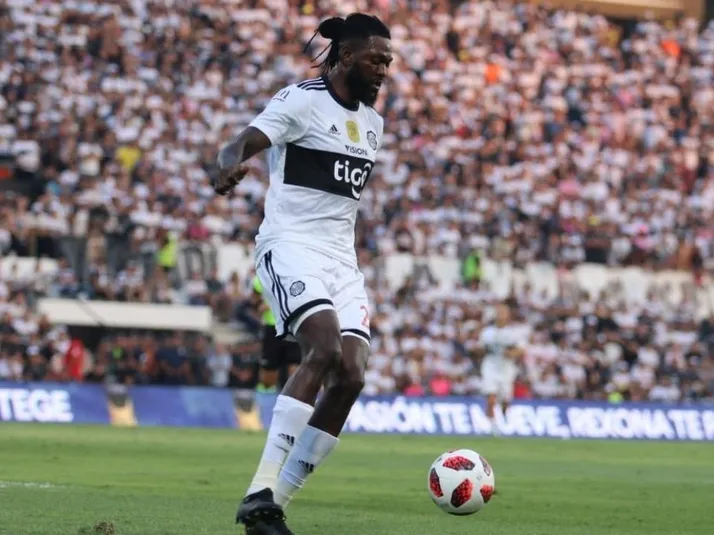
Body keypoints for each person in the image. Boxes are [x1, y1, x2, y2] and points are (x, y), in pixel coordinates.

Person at [213, 13, 392, 535]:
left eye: (388, 62)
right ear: (345, 56)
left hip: (342, 261)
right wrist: (227, 164)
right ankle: (260, 487)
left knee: (352, 375)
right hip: (290, 246)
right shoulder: (300, 100)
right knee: (324, 349)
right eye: (375, 60)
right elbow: (240, 143)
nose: (383, 70)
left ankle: (272, 505)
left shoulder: (374, 124)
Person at [478, 304, 524, 435]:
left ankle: (504, 417)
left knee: (505, 399)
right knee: (491, 397)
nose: (500, 315)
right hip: (490, 365)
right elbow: (481, 349)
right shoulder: (487, 332)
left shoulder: (513, 333)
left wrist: (511, 353)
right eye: (498, 312)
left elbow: (521, 350)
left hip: (506, 368)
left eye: (503, 312)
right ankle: (492, 426)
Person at [252, 275, 302, 392]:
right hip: (271, 328)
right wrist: (260, 306)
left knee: (295, 368)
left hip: (291, 327)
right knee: (268, 376)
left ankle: (292, 396)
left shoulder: (296, 273)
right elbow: (255, 300)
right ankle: (269, 397)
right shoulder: (262, 276)